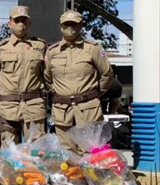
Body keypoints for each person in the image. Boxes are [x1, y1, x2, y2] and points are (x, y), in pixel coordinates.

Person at [44, 10, 113, 152]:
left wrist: (94, 95)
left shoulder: (93, 49)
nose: (70, 28)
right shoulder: (52, 51)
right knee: (66, 152)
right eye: (66, 24)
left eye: (74, 24)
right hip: (62, 110)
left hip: (88, 108)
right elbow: (47, 78)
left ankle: (90, 175)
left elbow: (106, 75)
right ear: (61, 27)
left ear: (81, 25)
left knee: (91, 151)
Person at [0, 6, 47, 145]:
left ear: (29, 24)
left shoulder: (40, 46)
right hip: (8, 106)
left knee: (37, 150)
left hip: (33, 105)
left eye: (24, 21)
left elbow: (47, 74)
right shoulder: (1, 49)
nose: (21, 24)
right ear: (10, 23)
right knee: (8, 152)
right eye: (17, 20)